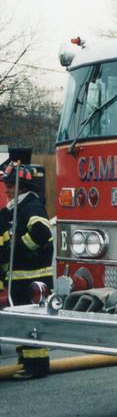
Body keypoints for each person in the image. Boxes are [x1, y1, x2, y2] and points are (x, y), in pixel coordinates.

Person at [0, 163, 53, 380]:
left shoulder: (32, 206)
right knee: (22, 322)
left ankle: (37, 366)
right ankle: (26, 362)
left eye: (11, 184)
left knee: (32, 323)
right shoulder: (14, 208)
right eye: (6, 184)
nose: (7, 188)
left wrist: (18, 248)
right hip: (20, 278)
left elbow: (41, 232)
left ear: (22, 186)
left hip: (34, 277)